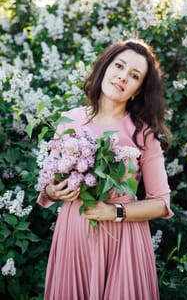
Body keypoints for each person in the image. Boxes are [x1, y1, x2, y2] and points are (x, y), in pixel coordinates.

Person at [37, 39, 174, 300]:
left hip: (123, 242)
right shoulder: (70, 119)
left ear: (137, 90)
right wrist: (53, 190)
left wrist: (114, 211)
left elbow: (161, 204)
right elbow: (46, 183)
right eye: (119, 66)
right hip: (74, 237)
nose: (123, 77)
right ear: (105, 68)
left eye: (134, 76)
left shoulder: (143, 133)